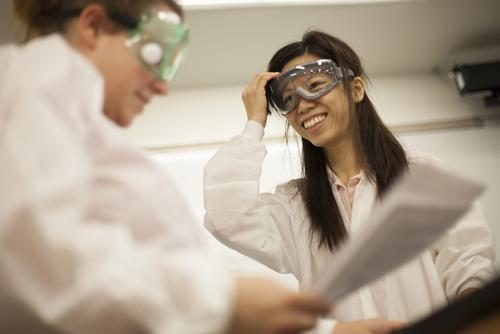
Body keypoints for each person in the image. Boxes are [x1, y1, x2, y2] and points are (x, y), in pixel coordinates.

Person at [0, 1, 336, 333]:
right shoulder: (31, 87)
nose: (162, 87)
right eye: (156, 56)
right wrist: (226, 305)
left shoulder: (75, 129)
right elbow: (50, 261)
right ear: (92, 26)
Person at [204, 30, 496, 333]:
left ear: (356, 89)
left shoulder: (419, 174)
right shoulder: (295, 205)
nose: (302, 105)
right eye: (289, 99)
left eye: (315, 86)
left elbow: (469, 267)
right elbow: (227, 217)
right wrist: (254, 123)